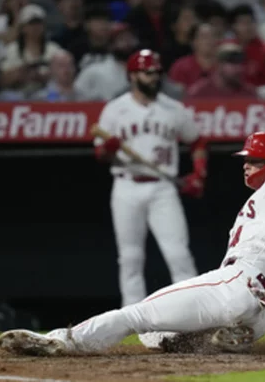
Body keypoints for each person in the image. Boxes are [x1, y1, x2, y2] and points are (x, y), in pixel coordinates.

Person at [0, 110, 265, 356]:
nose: (245, 166)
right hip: (263, 311)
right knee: (156, 338)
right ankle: (220, 338)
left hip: (236, 285)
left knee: (137, 315)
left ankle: (64, 341)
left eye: (254, 160)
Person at [84, 50, 207, 308]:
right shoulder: (115, 109)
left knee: (178, 254)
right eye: (147, 72)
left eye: (156, 72)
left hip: (163, 187)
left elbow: (197, 140)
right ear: (132, 75)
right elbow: (100, 154)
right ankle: (132, 317)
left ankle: (193, 312)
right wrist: (110, 148)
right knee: (130, 258)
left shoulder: (173, 108)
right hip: (126, 185)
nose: (153, 77)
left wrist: (198, 173)